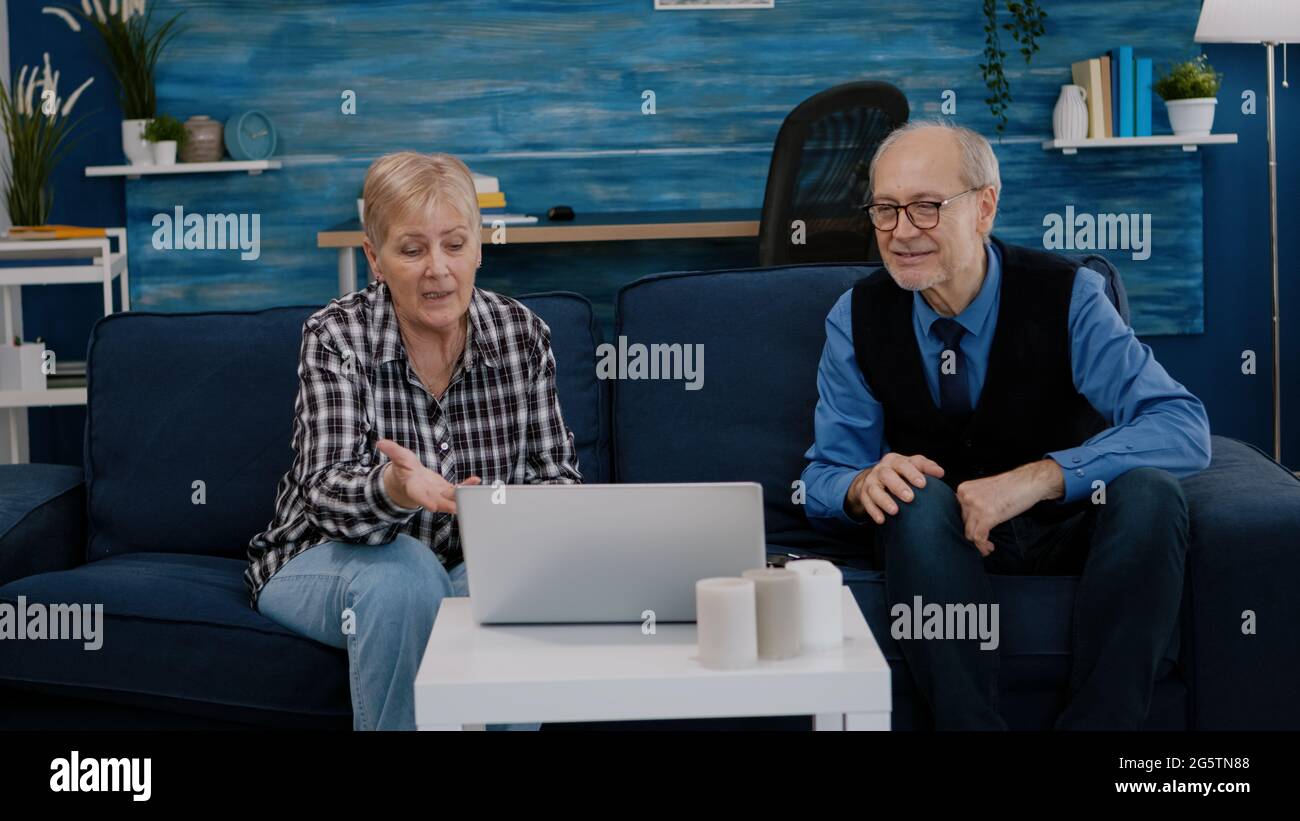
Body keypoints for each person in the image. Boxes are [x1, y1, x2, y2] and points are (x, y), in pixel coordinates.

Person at [801, 120, 1212, 730]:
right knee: (911, 501)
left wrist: (1042, 477)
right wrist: (861, 486)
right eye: (886, 209)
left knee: (1152, 492)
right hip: (941, 549)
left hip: (1071, 526)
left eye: (926, 207)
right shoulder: (856, 318)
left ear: (984, 207)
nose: (902, 232)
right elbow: (822, 476)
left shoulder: (1069, 295)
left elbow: (1182, 425)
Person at [245, 151, 581, 730]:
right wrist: (394, 488)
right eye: (411, 250)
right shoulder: (335, 336)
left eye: (454, 244)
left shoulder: (523, 336)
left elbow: (559, 482)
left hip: (463, 565)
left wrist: (505, 516)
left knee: (511, 580)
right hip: (321, 557)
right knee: (405, 574)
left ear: (479, 245)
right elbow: (324, 494)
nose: (438, 270)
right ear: (375, 258)